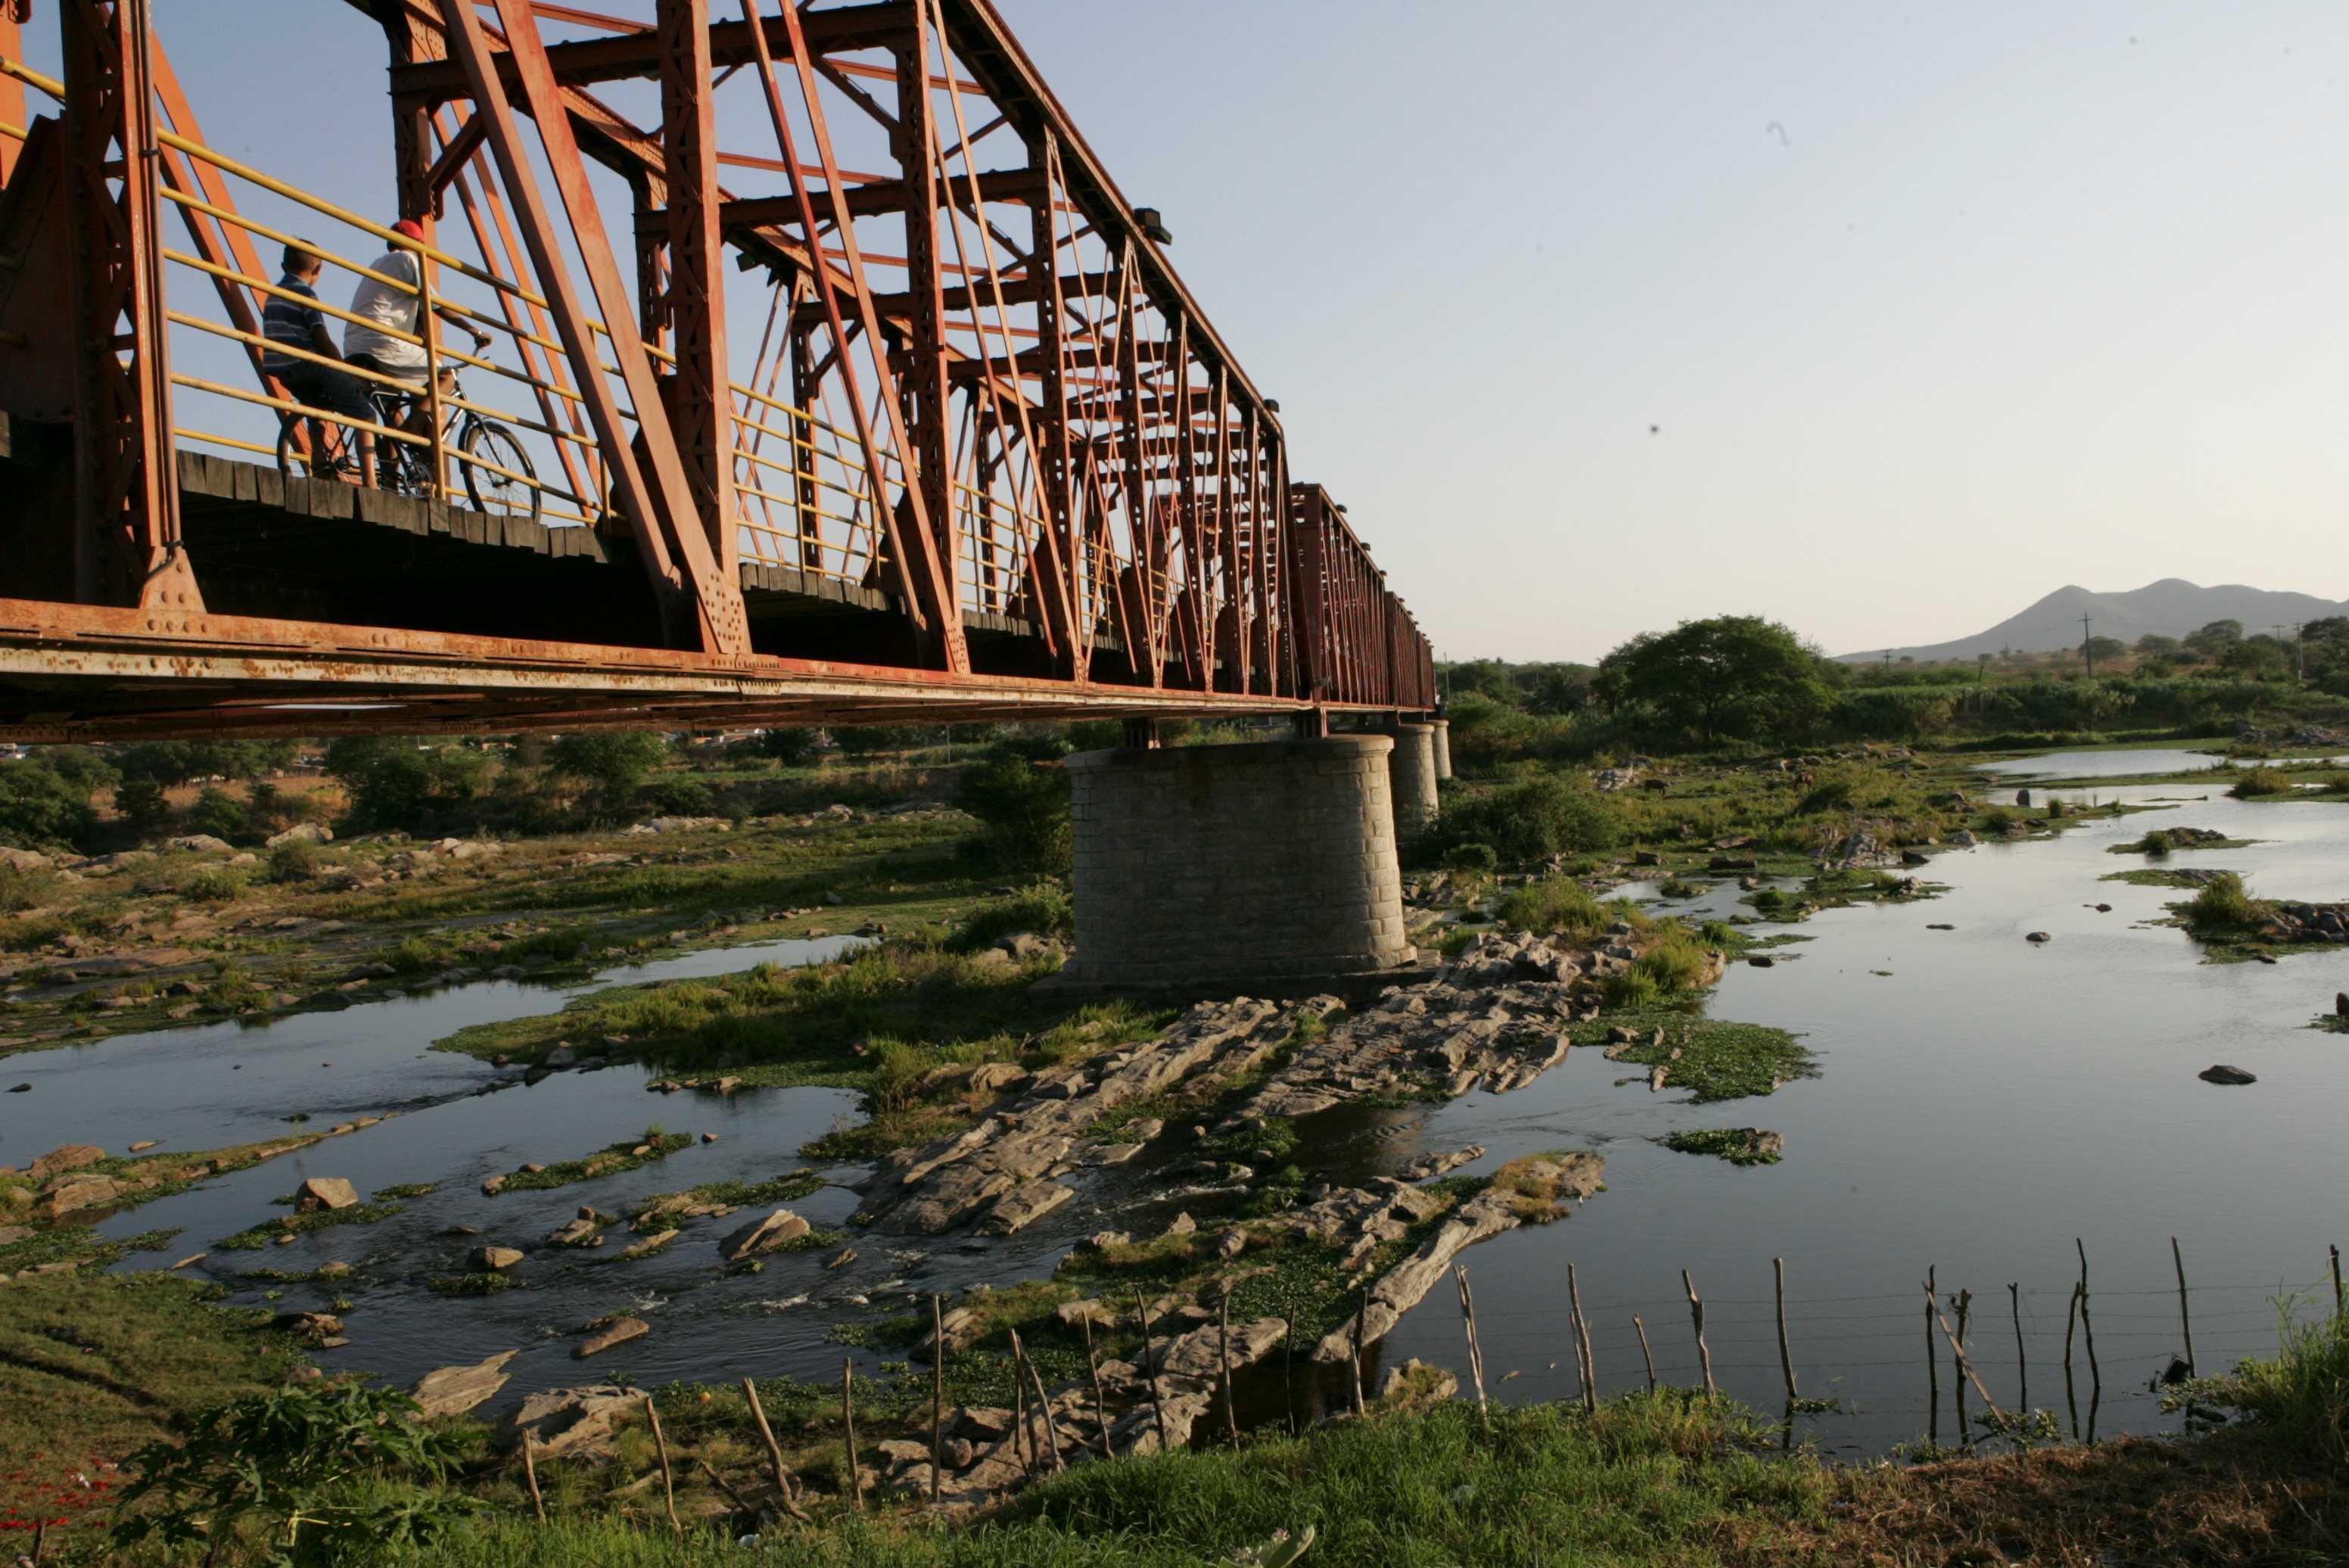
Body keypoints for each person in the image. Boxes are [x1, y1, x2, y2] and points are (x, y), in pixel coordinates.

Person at [343, 217, 491, 444]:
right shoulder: (408, 259)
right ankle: (413, 429)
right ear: (417, 244)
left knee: (392, 413)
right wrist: (474, 331)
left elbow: (407, 308)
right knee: (446, 377)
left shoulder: (378, 264)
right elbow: (436, 304)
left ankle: (391, 476)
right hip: (381, 343)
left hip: (354, 346)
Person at [261, 241, 377, 484]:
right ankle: (371, 483)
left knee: (316, 406)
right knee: (365, 415)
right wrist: (345, 370)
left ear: (283, 265)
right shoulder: (305, 293)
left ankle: (320, 462)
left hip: (283, 369)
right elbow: (321, 337)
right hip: (308, 364)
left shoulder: (272, 295)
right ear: (318, 270)